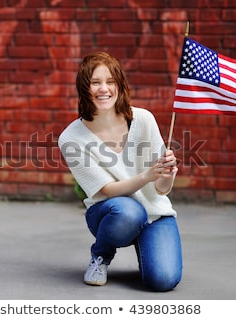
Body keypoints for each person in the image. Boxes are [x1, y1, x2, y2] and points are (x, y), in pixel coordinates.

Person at [58, 52, 182, 292]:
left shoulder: (143, 119)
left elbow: (161, 190)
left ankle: (146, 243)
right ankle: (101, 255)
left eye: (110, 81)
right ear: (85, 88)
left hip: (153, 212)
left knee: (164, 280)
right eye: (96, 82)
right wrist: (147, 175)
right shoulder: (71, 138)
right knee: (129, 211)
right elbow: (107, 190)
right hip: (110, 212)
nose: (104, 89)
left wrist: (165, 175)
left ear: (119, 86)